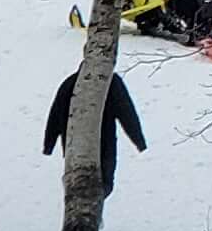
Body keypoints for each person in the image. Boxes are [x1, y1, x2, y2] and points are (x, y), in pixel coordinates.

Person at [41, 67, 147, 210]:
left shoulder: (70, 82)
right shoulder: (111, 82)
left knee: (77, 184)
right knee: (104, 183)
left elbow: (54, 116)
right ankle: (89, 215)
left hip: (73, 146)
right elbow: (127, 112)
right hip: (104, 145)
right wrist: (139, 140)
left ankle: (80, 216)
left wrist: (49, 145)